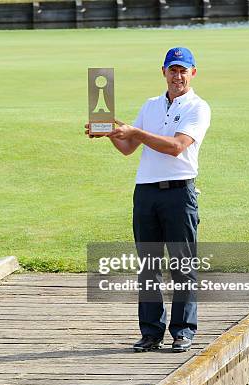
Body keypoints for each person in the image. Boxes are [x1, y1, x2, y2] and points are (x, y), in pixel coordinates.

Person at [85, 47, 211, 352]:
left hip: (179, 192)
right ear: (164, 72)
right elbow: (128, 148)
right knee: (149, 265)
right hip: (146, 192)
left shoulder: (198, 107)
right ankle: (151, 332)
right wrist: (109, 133)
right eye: (173, 69)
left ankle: (182, 331)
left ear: (193, 73)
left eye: (183, 70)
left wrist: (135, 132)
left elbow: (176, 146)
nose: (177, 76)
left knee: (182, 264)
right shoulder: (151, 105)